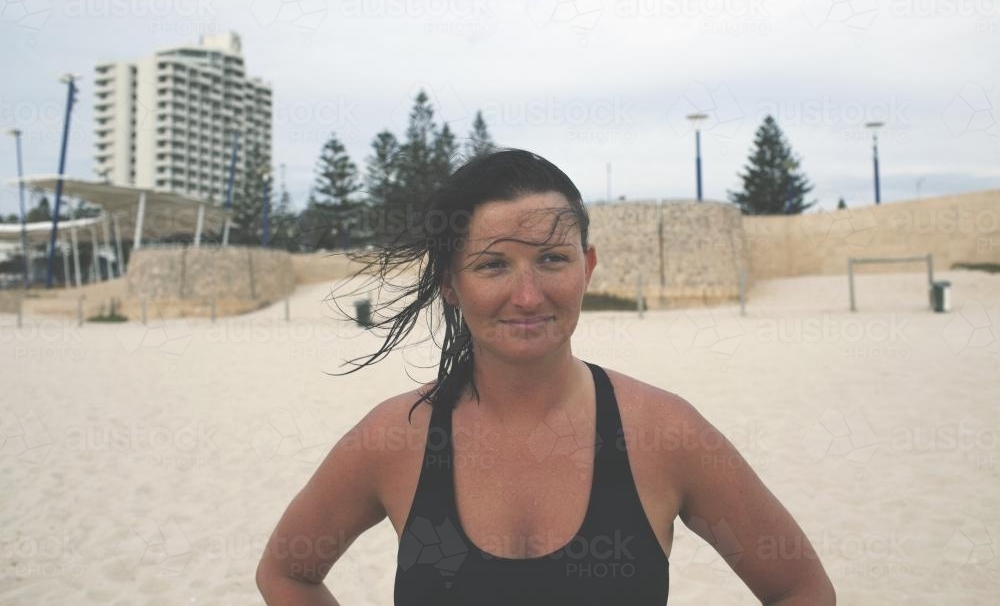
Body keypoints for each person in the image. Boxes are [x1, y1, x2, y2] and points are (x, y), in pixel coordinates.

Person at [256, 149, 836, 605]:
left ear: (586, 267)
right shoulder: (395, 438)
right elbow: (286, 573)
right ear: (451, 285)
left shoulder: (663, 432)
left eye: (553, 260)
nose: (528, 296)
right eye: (493, 265)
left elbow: (800, 589)